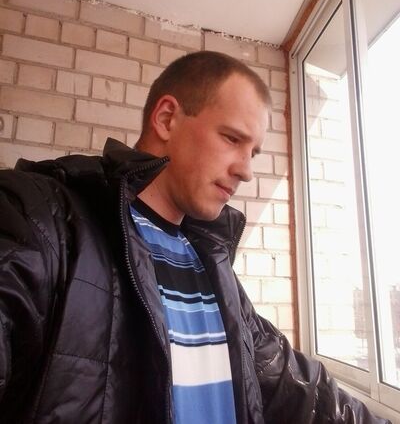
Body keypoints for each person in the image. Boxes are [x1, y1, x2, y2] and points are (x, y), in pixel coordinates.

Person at [0, 51, 390, 423]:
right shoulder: (37, 221)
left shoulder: (216, 270)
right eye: (232, 139)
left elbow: (307, 395)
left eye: (253, 152)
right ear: (167, 119)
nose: (246, 171)